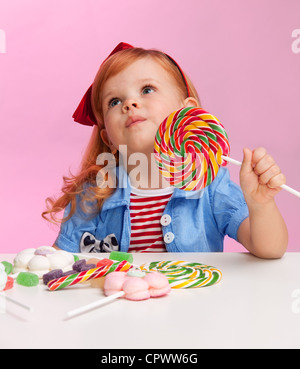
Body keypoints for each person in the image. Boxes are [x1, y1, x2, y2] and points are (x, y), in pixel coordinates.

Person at [42, 42, 288, 258]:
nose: (130, 103)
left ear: (187, 112)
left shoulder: (211, 186)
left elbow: (268, 249)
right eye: (114, 102)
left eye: (147, 89)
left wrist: (260, 205)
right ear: (108, 138)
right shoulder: (94, 193)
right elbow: (61, 260)